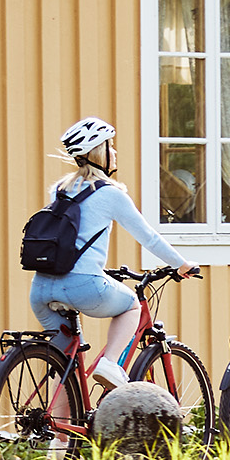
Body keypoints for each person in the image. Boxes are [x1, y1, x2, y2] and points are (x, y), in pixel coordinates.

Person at [31, 117, 199, 411]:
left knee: (65, 368)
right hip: (82, 285)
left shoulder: (57, 189)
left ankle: (58, 444)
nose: (116, 153)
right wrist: (182, 264)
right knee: (132, 305)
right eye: (112, 147)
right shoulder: (110, 194)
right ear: (100, 151)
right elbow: (149, 237)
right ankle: (109, 363)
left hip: (41, 288)